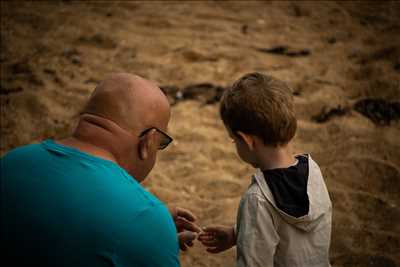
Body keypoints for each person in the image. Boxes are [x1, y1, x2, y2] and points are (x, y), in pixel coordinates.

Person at [1, 73, 200, 267]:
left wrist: (150, 230)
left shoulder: (11, 163)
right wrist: (152, 233)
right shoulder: (143, 220)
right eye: (161, 144)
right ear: (148, 142)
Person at [198, 72, 332, 267]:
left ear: (247, 141)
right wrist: (237, 233)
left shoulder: (257, 200)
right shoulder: (312, 170)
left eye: (233, 139)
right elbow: (290, 234)